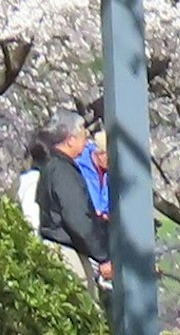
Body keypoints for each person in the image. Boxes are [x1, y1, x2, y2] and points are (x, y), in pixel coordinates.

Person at [36, 118, 116, 286]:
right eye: (83, 137)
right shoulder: (63, 172)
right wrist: (103, 256)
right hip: (67, 251)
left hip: (59, 248)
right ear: (71, 140)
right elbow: (78, 217)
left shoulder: (52, 167)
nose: (86, 142)